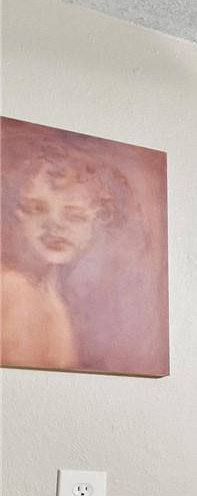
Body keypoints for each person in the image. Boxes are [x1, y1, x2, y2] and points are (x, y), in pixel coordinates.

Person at [1, 145, 125, 371]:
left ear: (97, 221)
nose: (54, 225)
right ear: (18, 213)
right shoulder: (10, 289)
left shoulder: (54, 299)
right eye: (37, 208)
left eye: (74, 215)